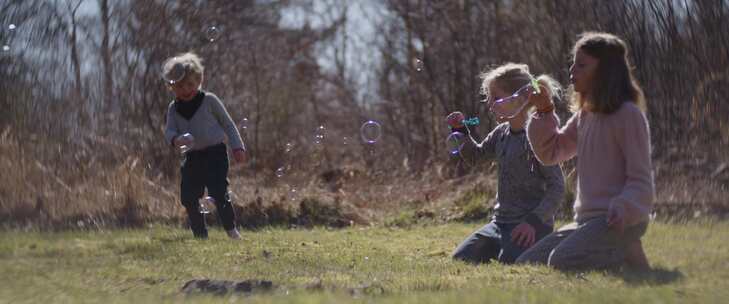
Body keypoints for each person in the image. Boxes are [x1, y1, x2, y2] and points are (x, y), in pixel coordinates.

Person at [516, 32, 653, 271]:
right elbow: (551, 152)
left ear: (605, 72)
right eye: (573, 63)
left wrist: (624, 209)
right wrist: (545, 111)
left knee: (560, 260)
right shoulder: (585, 116)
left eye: (581, 65)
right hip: (586, 221)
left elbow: (641, 180)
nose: (572, 70)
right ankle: (617, 249)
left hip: (619, 220)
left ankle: (626, 249)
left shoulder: (628, 115)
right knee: (528, 261)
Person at [450, 63, 565, 264]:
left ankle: (544, 245)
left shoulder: (538, 136)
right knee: (462, 258)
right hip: (499, 224)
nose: (491, 105)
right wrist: (460, 131)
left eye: (496, 98)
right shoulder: (500, 133)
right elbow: (476, 157)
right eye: (489, 99)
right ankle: (506, 247)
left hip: (531, 226)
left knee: (509, 261)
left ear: (521, 98)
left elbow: (557, 187)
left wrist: (533, 222)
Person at [163, 52, 247, 240]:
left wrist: (237, 147)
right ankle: (200, 235)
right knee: (188, 197)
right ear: (172, 87)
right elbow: (168, 131)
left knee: (218, 192)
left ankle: (232, 230)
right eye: (180, 86)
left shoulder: (209, 100)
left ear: (199, 80)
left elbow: (228, 124)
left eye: (190, 85)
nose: (186, 90)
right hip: (192, 157)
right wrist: (175, 139)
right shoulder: (173, 108)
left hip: (215, 154)